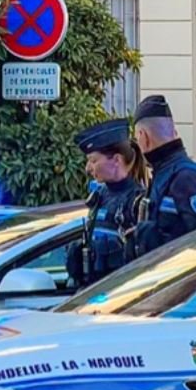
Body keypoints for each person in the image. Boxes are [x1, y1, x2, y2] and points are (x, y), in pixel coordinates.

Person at [66, 117, 153, 289]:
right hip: (92, 291)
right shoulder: (99, 195)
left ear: (116, 160)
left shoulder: (137, 201)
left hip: (120, 293)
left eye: (93, 161)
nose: (88, 168)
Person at [131, 94, 196, 254]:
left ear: (143, 137)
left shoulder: (187, 177)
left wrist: (153, 239)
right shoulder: (163, 174)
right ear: (174, 131)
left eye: (136, 139)